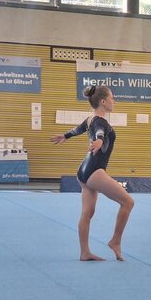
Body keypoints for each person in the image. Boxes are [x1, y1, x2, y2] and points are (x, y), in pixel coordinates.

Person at [51, 85, 134, 262]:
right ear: (103, 102)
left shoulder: (90, 119)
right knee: (128, 202)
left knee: (87, 213)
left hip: (83, 171)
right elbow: (99, 131)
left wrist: (65, 136)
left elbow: (78, 129)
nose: (114, 101)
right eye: (112, 98)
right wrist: (100, 140)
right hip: (95, 172)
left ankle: (85, 252)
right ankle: (115, 241)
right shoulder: (100, 121)